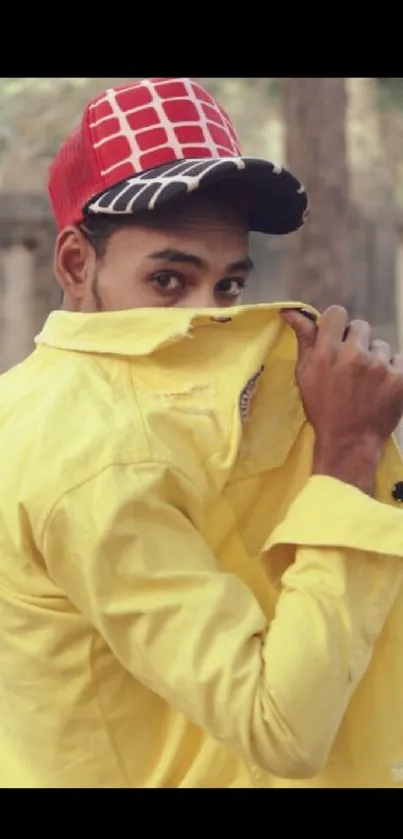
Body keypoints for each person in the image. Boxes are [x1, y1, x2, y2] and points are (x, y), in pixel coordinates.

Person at [0, 77, 403, 790]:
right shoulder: (99, 456)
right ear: (74, 264)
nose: (206, 314)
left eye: (227, 286)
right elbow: (280, 725)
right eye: (166, 281)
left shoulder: (50, 400)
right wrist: (347, 455)